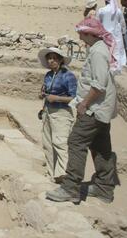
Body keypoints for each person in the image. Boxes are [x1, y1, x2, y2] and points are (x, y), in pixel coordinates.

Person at [46, 18, 119, 204]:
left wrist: (84, 103)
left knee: (76, 141)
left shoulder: (98, 52)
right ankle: (104, 187)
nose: (78, 35)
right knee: (100, 146)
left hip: (94, 108)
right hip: (101, 108)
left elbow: (99, 84)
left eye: (80, 32)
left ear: (88, 33)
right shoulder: (97, 49)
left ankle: (71, 187)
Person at [37, 47, 77, 182]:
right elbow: (46, 92)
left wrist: (57, 98)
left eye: (54, 58)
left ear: (60, 60)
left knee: (60, 143)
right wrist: (43, 98)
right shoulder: (48, 75)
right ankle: (51, 173)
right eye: (49, 58)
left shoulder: (68, 76)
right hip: (48, 112)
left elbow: (75, 98)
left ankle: (64, 175)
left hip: (62, 113)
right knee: (48, 144)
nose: (51, 61)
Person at [96, 0, 126, 73]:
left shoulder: (102, 10)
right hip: (116, 34)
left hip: (105, 34)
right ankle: (118, 68)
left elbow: (97, 22)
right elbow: (122, 23)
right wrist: (123, 32)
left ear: (106, 2)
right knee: (117, 51)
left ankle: (105, 67)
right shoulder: (118, 11)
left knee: (106, 50)